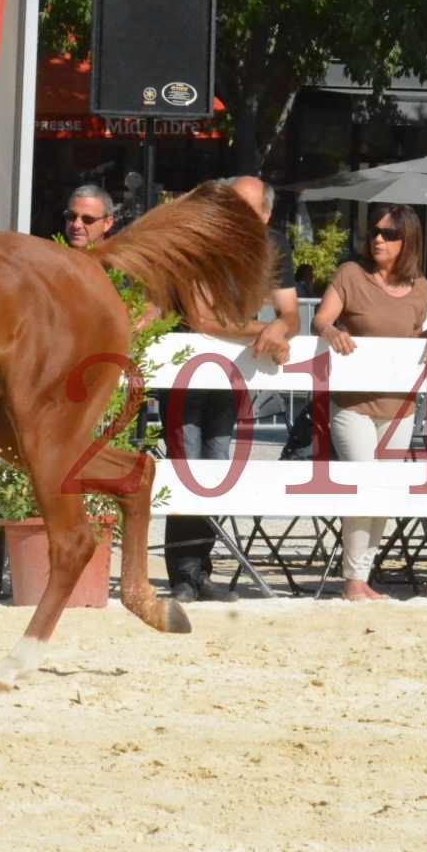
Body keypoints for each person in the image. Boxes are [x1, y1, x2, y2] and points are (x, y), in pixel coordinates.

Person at [161, 175, 301, 603]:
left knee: (217, 468)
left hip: (231, 371)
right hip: (184, 368)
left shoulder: (273, 245)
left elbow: (291, 313)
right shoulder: (202, 240)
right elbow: (203, 319)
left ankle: (199, 572)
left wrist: (281, 327)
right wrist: (268, 329)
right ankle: (183, 576)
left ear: (266, 214)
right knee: (188, 467)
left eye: (246, 208)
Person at [312, 204, 427, 601]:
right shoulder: (351, 275)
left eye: (389, 234)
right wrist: (331, 331)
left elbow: (415, 333)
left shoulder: (420, 286)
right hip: (352, 405)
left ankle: (362, 576)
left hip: (400, 407)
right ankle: (352, 580)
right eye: (375, 232)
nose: (378, 239)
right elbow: (320, 320)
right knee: (362, 484)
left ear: (408, 242)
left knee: (383, 490)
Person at [62, 184, 116, 249]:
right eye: (71, 216)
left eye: (88, 219)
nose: (76, 225)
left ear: (107, 223)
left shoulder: (118, 258)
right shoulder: (54, 255)